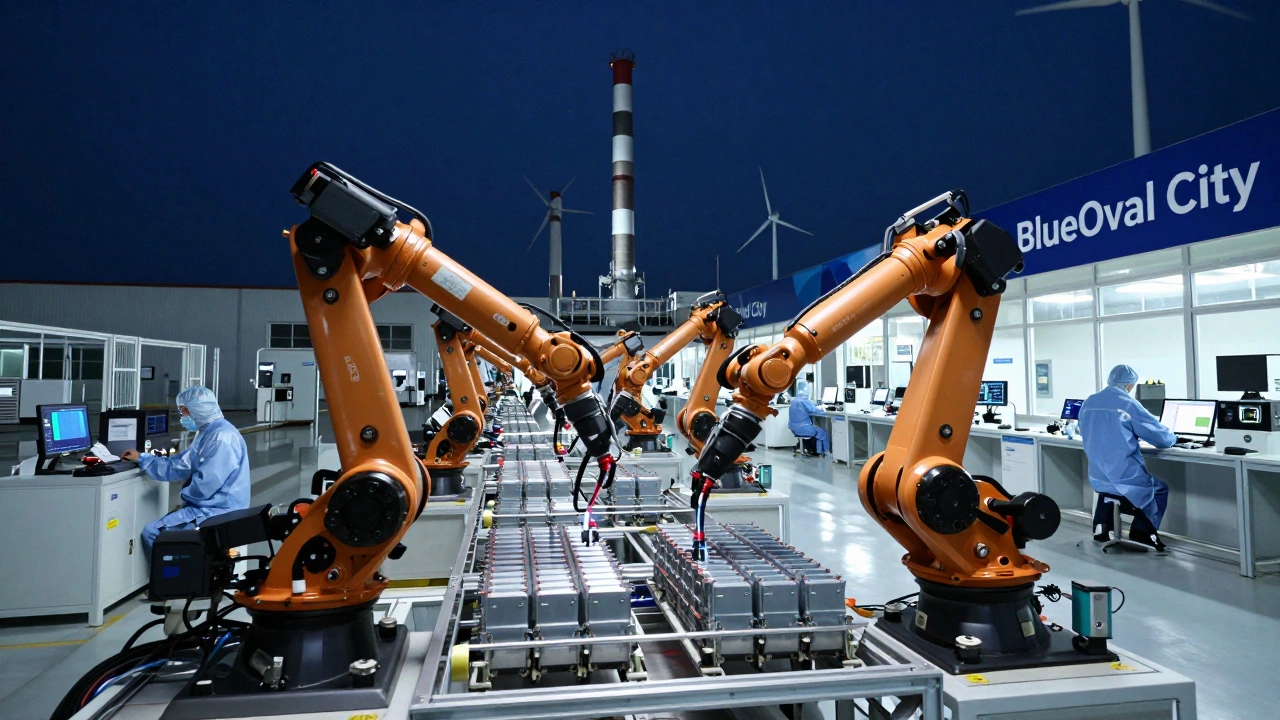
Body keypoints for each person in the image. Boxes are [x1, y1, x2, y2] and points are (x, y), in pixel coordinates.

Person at [122, 386, 251, 556]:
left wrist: (184, 500)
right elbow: (181, 464)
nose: (182, 417)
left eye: (184, 411)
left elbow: (207, 484)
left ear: (197, 409)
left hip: (215, 512)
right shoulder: (210, 433)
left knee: (152, 533)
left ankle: (177, 578)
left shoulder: (222, 437)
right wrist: (142, 458)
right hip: (210, 507)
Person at [1079, 364, 1176, 550]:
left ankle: (1102, 527)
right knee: (1159, 488)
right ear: (1130, 385)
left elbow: (1083, 430)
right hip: (1124, 476)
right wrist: (1174, 438)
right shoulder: (1127, 404)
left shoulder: (1090, 402)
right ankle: (1143, 532)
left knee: (1112, 489)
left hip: (1098, 476)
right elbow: (1161, 438)